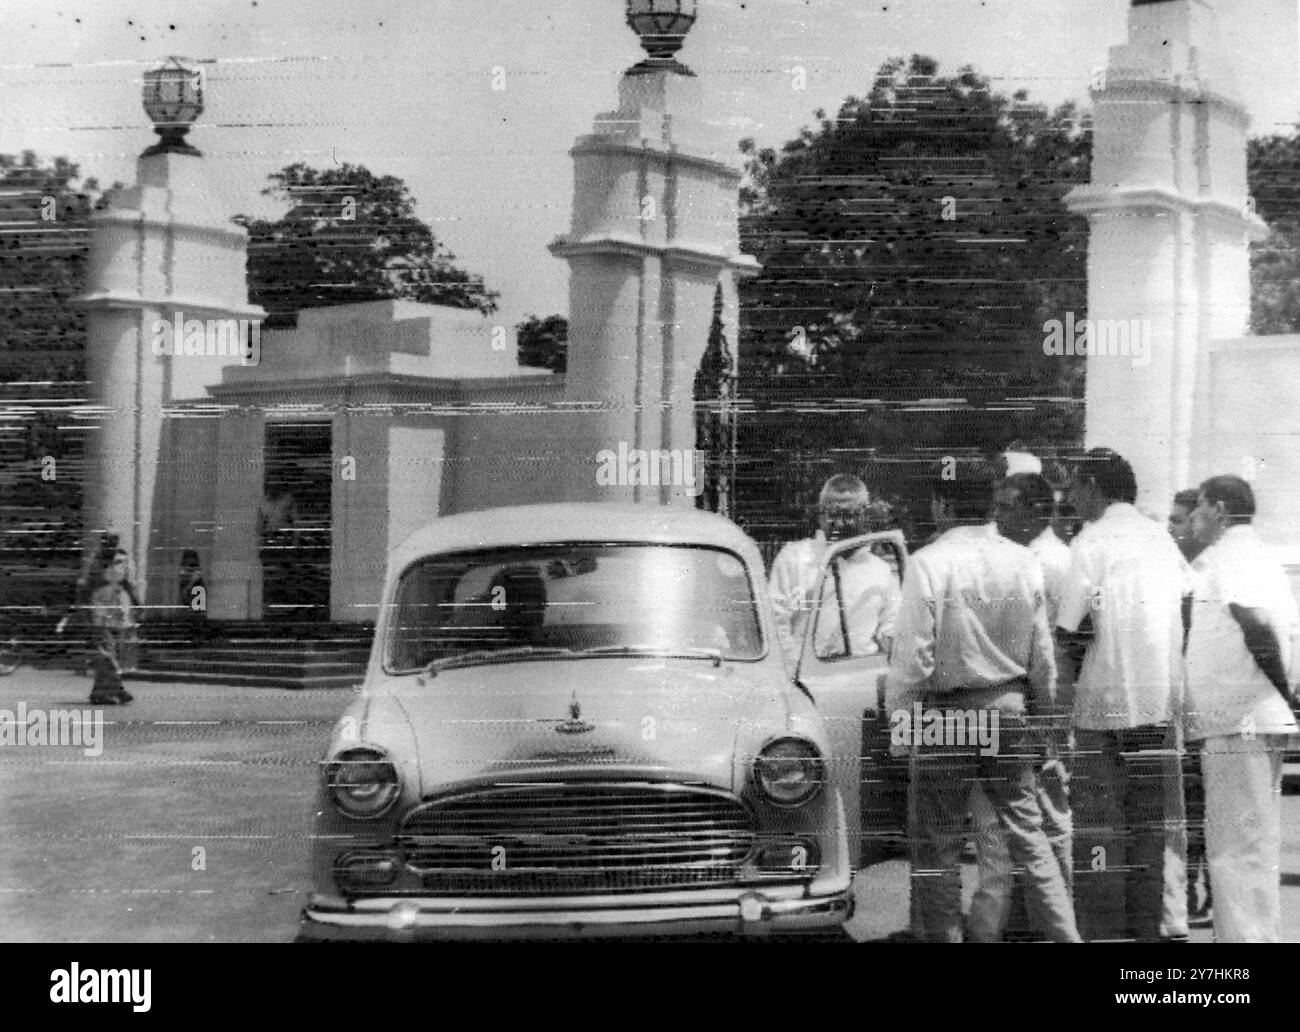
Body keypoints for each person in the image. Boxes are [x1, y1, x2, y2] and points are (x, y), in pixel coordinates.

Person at [887, 462, 1079, 943]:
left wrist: (901, 725)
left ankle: (946, 937)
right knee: (1028, 836)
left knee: (939, 846)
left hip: (947, 714)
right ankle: (1065, 936)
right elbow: (1043, 658)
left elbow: (912, 658)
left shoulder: (929, 562)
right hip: (1010, 708)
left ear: (941, 505)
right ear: (991, 504)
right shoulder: (1022, 561)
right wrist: (1046, 721)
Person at [1056, 448, 1189, 941]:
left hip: (1102, 711)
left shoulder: (1091, 543)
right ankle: (1146, 935)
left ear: (1092, 484)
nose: (1068, 497)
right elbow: (1186, 608)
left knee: (1099, 833)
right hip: (1157, 707)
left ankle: (1101, 932)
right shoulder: (1160, 536)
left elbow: (1068, 630)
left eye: (1072, 485)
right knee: (1151, 832)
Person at [1185, 475, 1297, 942]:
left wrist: (1283, 691)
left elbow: (1255, 623)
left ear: (1220, 510)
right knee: (1248, 846)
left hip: (1240, 721)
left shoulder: (1233, 554)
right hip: (1241, 719)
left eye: (1198, 507)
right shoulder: (1251, 555)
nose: (1193, 517)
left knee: (1235, 849)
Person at [967, 472, 1075, 941]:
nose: (998, 513)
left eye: (1009, 505)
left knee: (1047, 827)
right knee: (1029, 829)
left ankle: (1056, 922)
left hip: (1040, 713)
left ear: (1037, 512)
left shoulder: (1051, 562)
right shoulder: (1027, 558)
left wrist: (1051, 727)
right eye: (997, 503)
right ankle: (1033, 923)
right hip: (1027, 711)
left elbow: (1059, 653)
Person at [768, 474, 899, 669]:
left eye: (849, 515)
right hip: (805, 676)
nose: (840, 524)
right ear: (821, 515)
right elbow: (776, 620)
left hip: (862, 677)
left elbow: (891, 627)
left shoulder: (881, 572)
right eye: (833, 514)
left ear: (865, 516)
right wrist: (793, 667)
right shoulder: (795, 558)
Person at [1170, 488, 1212, 925]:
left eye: (1179, 520)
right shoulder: (1180, 571)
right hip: (1186, 707)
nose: (1171, 527)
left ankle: (1199, 891)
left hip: (1200, 710)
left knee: (1197, 807)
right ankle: (1192, 891)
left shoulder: (1199, 577)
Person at [87, 548, 136, 706]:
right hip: (105, 628)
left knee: (113, 658)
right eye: (119, 562)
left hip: (119, 629)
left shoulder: (122, 590)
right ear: (107, 567)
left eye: (125, 562)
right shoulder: (101, 590)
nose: (123, 567)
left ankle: (101, 692)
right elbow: (98, 613)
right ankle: (115, 689)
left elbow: (126, 611)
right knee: (108, 657)